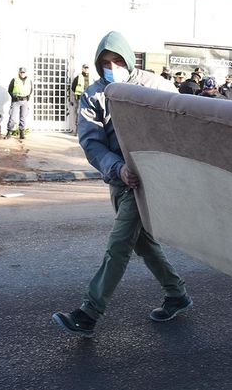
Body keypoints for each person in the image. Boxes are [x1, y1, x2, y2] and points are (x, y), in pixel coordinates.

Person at [52, 31, 192, 338]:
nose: (112, 66)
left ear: (129, 59)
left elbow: (181, 125)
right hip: (121, 179)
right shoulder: (94, 94)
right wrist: (116, 168)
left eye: (117, 60)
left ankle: (89, 312)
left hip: (151, 181)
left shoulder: (156, 87)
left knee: (118, 246)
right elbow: (91, 142)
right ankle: (177, 294)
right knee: (142, 243)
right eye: (105, 62)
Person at [5, 67, 33, 140]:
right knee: (12, 118)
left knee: (23, 118)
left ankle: (22, 133)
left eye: (23, 72)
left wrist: (28, 97)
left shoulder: (29, 80)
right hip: (16, 101)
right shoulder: (15, 80)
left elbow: (31, 89)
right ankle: (9, 132)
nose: (22, 74)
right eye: (21, 72)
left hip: (25, 101)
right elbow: (10, 90)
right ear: (19, 72)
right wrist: (14, 96)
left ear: (25, 73)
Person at [69, 64, 91, 135]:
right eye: (85, 68)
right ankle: (77, 131)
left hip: (88, 99)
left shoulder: (91, 77)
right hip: (79, 98)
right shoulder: (79, 77)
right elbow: (73, 87)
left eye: (87, 68)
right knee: (78, 114)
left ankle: (86, 132)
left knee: (88, 115)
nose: (86, 69)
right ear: (82, 69)